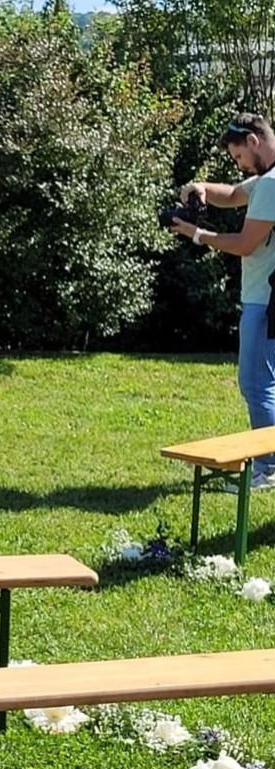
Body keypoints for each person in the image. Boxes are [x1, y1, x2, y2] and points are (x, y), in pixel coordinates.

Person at [173, 113, 275, 490]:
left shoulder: (272, 184)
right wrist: (199, 186)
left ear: (253, 141)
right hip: (265, 296)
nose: (239, 165)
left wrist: (196, 233)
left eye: (238, 158)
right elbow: (233, 194)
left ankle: (268, 468)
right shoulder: (266, 180)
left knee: (257, 382)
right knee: (264, 381)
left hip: (265, 299)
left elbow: (246, 245)